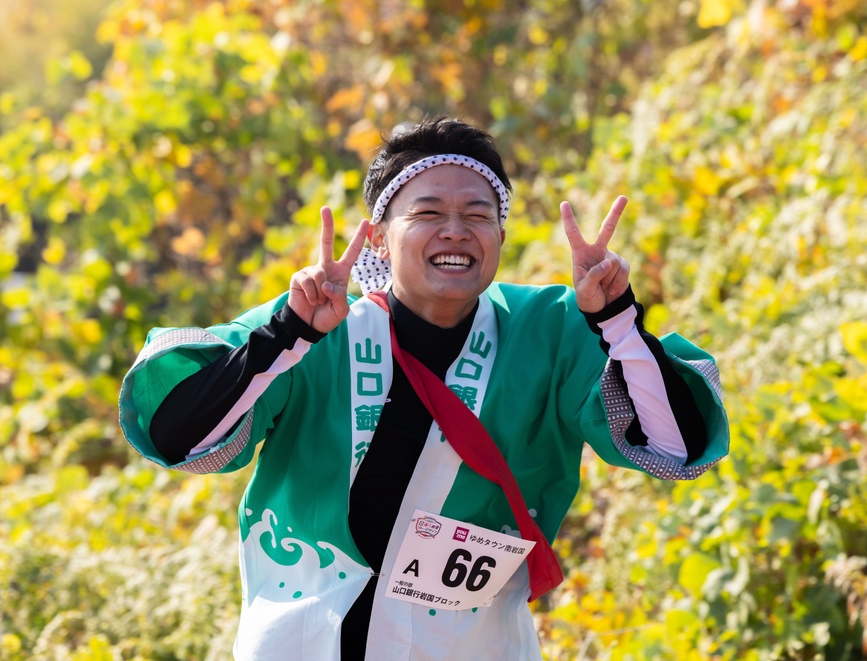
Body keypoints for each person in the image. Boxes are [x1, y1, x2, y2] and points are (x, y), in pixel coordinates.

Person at [118, 117, 729, 660]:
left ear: (500, 236)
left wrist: (619, 323)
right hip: (305, 641)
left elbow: (677, 450)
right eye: (429, 213)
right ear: (379, 236)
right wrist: (286, 337)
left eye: (478, 215)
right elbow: (180, 435)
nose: (456, 231)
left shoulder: (553, 329)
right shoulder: (313, 324)